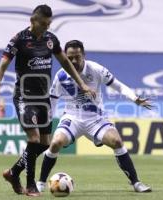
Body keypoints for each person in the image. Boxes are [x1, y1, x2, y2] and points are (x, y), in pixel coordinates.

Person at [0, 6, 95, 197]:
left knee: (45, 143)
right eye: (44, 24)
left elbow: (65, 62)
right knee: (34, 139)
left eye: (49, 24)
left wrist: (82, 84)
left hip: (43, 97)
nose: (47, 27)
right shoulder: (18, 40)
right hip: (24, 96)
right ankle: (30, 185)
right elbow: (2, 67)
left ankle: (13, 173)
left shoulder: (51, 40)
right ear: (33, 20)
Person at [36, 40, 152, 193]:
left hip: (96, 118)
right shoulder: (61, 75)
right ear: (64, 57)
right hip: (72, 117)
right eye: (69, 58)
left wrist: (134, 98)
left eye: (77, 57)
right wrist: (46, 127)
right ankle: (41, 183)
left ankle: (136, 183)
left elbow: (117, 85)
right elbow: (53, 101)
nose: (74, 61)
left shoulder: (96, 69)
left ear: (83, 55)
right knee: (56, 143)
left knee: (116, 141)